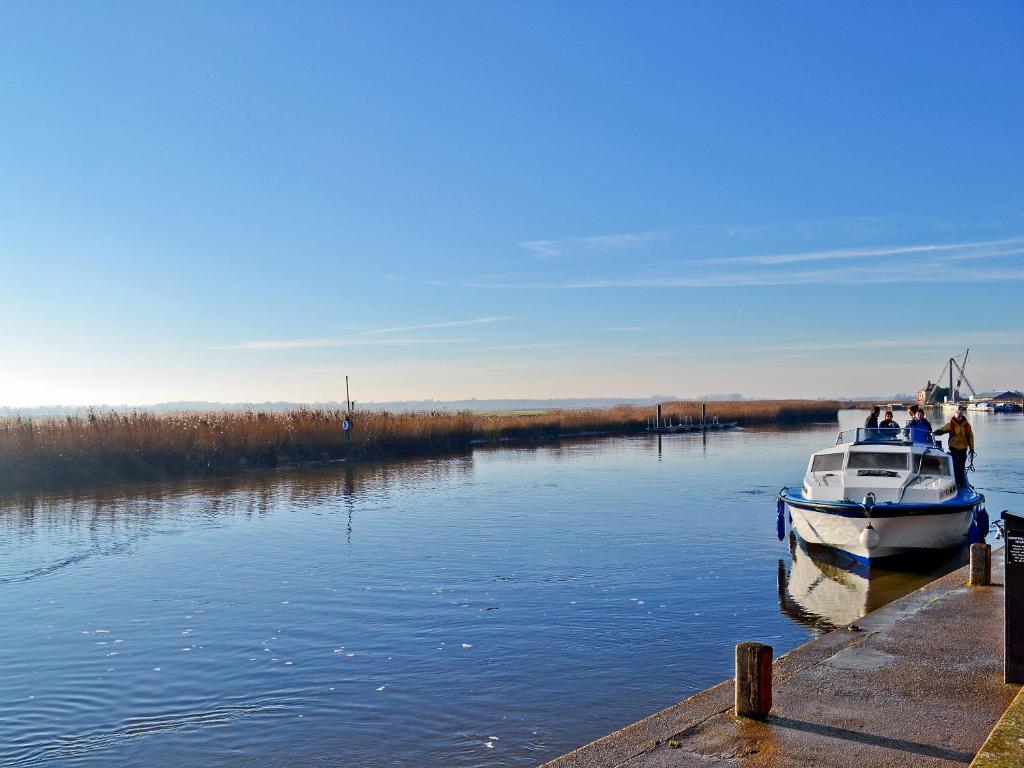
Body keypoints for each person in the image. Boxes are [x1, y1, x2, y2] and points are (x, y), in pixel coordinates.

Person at [934, 405, 975, 487]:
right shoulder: (951, 424)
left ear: (962, 415)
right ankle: (955, 482)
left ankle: (960, 482)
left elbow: (971, 437)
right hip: (954, 447)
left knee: (961, 466)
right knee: (955, 465)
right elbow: (943, 430)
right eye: (958, 415)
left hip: (963, 448)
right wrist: (936, 432)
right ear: (955, 415)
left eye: (960, 415)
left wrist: (971, 449)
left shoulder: (967, 426)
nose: (959, 417)